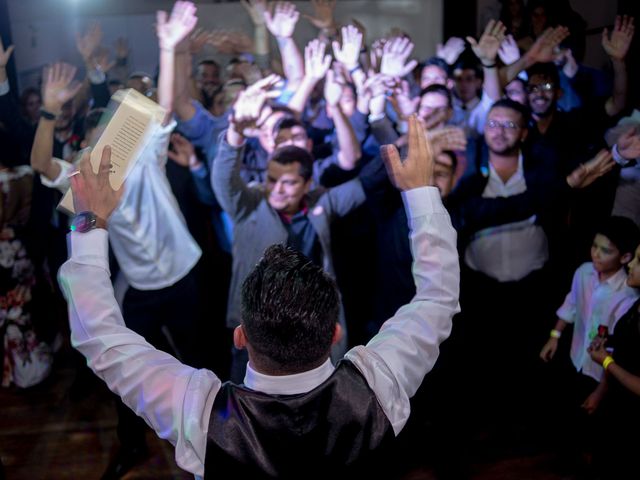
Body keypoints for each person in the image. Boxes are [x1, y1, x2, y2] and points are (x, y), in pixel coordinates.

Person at [58, 114, 460, 478]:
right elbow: (438, 297)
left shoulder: (203, 414)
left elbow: (99, 337)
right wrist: (423, 192)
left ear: (240, 336)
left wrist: (88, 219)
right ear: (336, 333)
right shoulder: (377, 386)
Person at [585, 241, 640, 479]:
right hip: (618, 409)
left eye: (639, 261)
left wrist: (606, 361)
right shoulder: (637, 304)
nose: (631, 265)